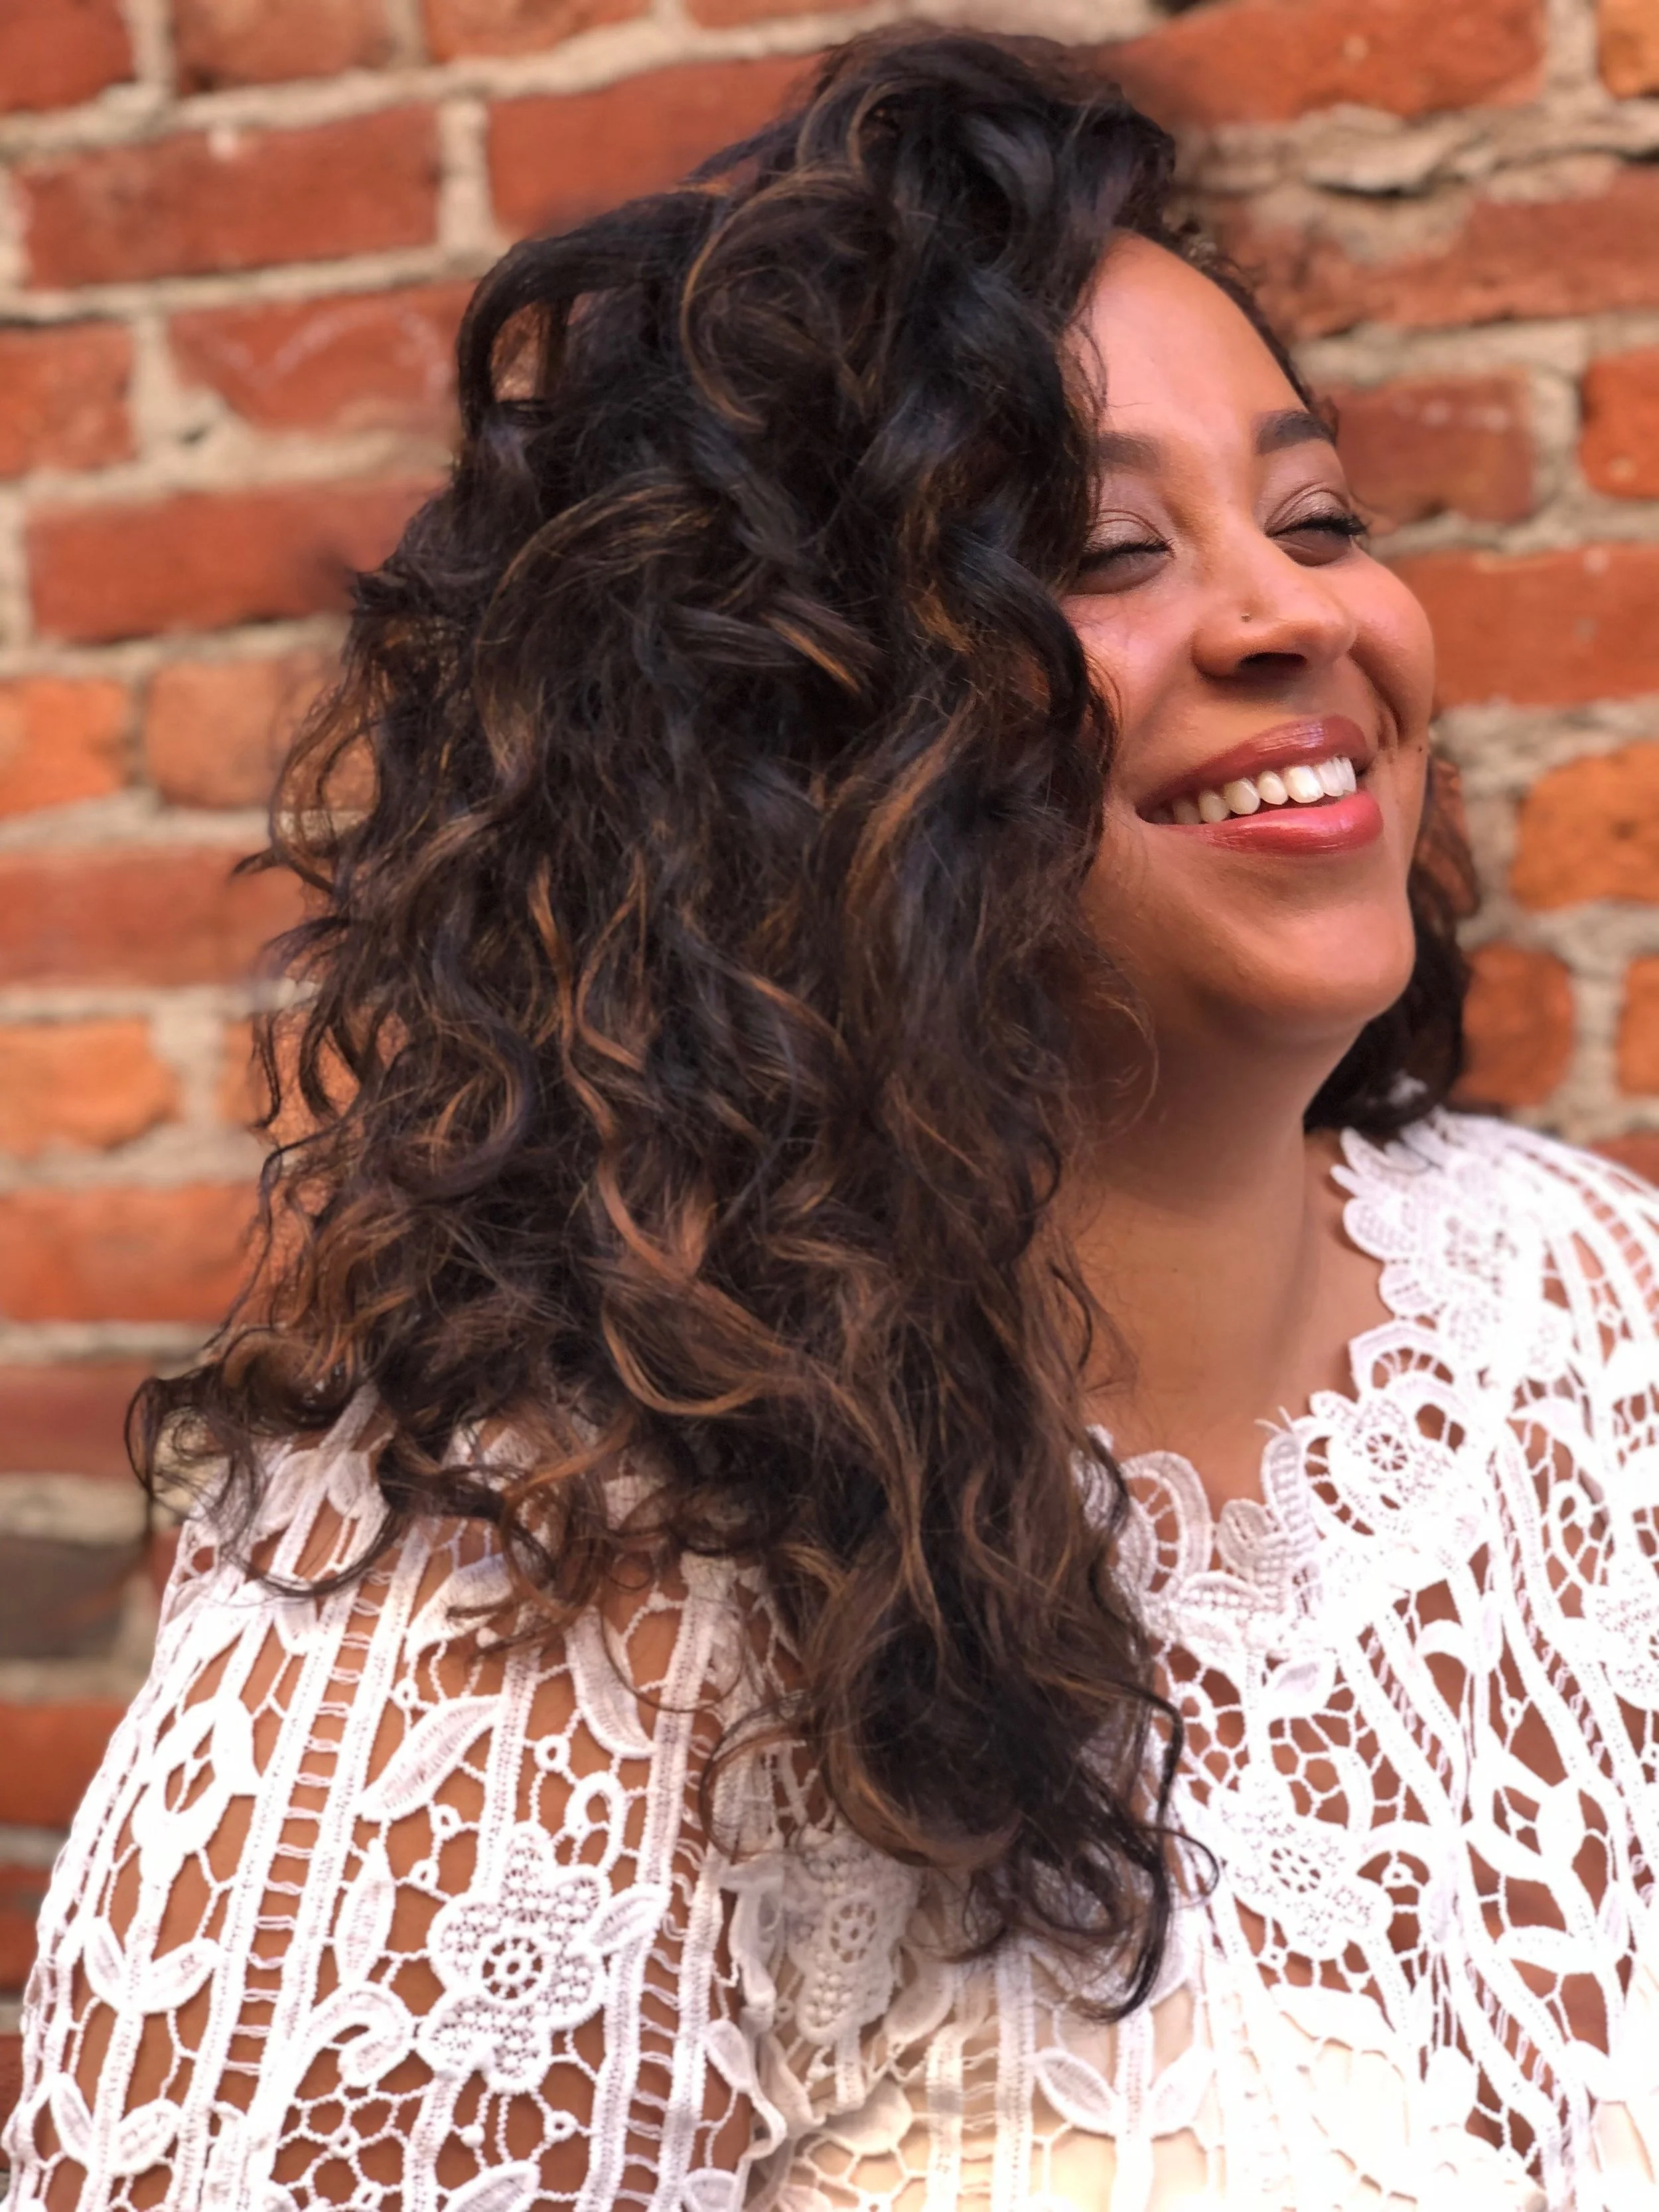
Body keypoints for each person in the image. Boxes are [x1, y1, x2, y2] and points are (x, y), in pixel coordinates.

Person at [9, 31, 1658, 2212]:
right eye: (1096, 552)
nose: (1293, 617)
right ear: (774, 752)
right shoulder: (514, 1628)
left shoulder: (1594, 1307)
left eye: (1318, 514)